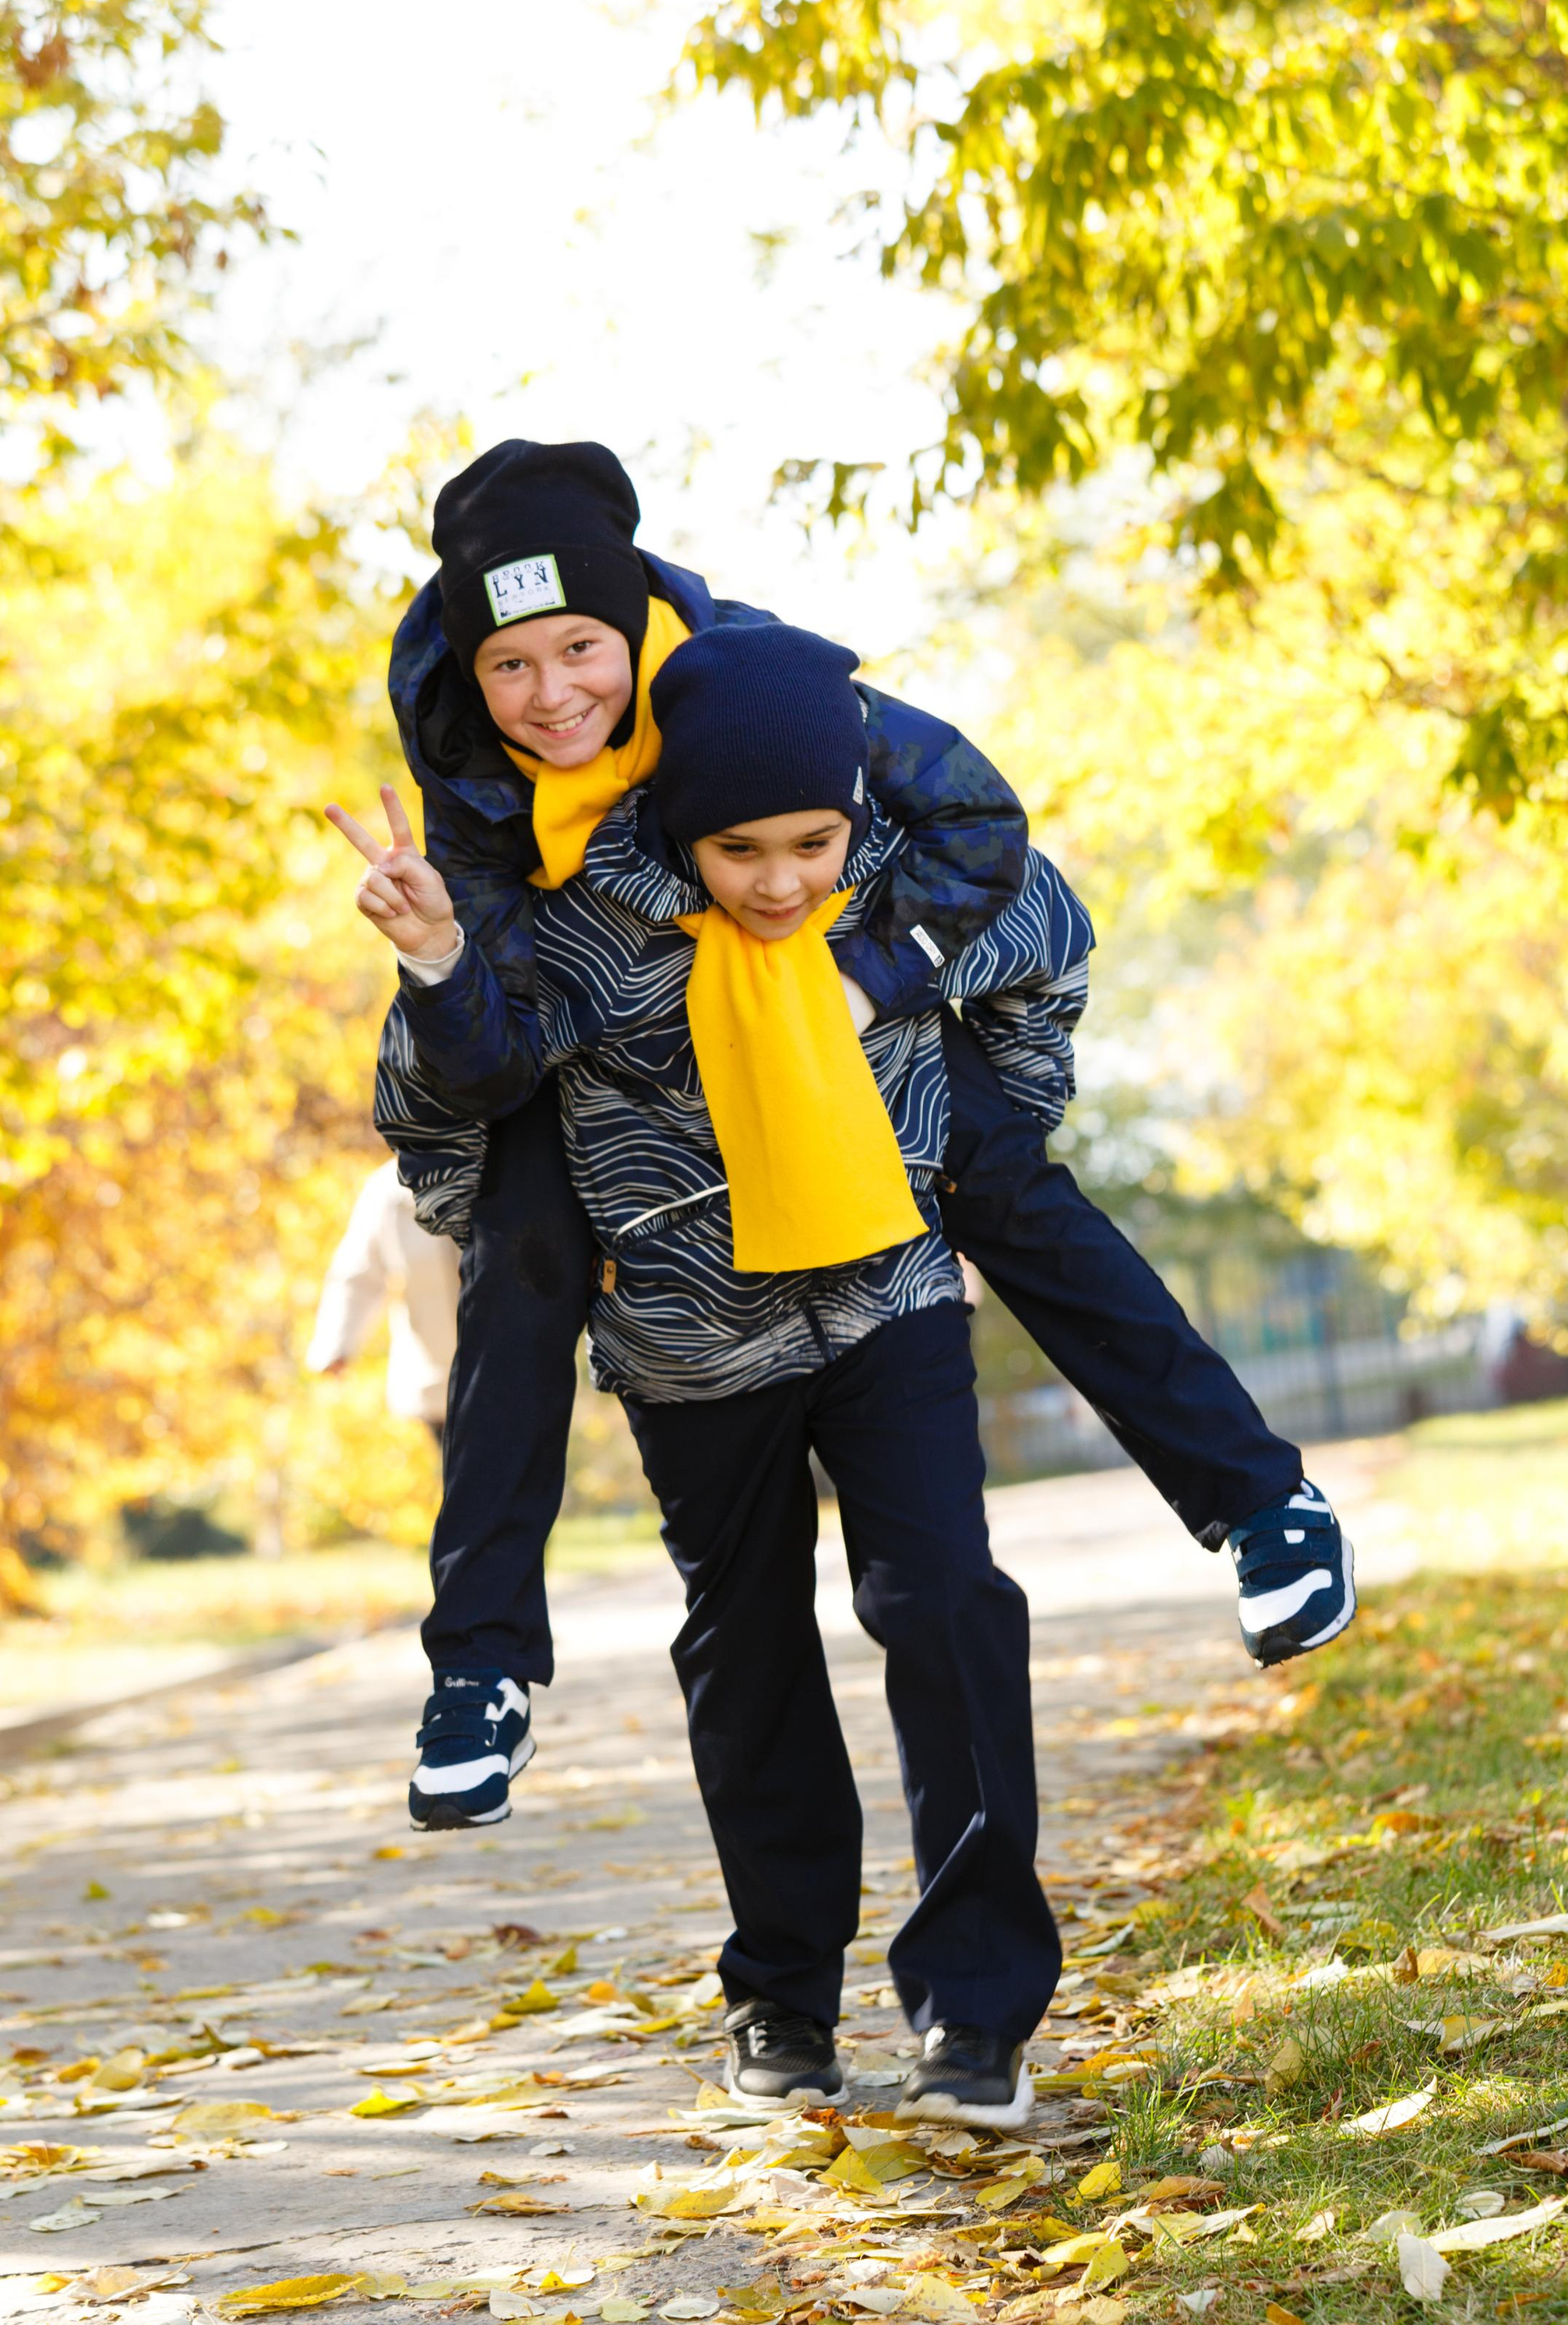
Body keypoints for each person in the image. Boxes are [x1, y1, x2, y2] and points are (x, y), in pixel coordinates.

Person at [330, 437, 1353, 1831]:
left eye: (580, 648)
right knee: (521, 1244)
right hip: (624, 1068)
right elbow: (501, 1054)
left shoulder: (756, 685)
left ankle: (1261, 1505)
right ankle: (482, 1667)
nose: (552, 694)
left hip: (850, 1018)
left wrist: (876, 977)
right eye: (512, 664)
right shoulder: (469, 782)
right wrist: (443, 959)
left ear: (630, 621)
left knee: (993, 1167)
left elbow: (984, 819)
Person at [352, 622, 1089, 2126]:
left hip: (889, 1302)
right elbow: (441, 1113)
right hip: (693, 1347)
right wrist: (567, 1217)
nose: (778, 880)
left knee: (946, 1603)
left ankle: (977, 2012)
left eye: (806, 845)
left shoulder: (890, 869)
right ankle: (782, 2003)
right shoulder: (573, 921)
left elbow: (1044, 950)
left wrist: (970, 1143)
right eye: (737, 849)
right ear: (681, 829)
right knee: (747, 1655)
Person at [305, 1159, 460, 1462]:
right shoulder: (387, 1191)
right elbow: (357, 1275)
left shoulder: (499, 1164)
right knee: (468, 1486)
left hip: (505, 1372)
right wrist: (336, 1345)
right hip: (436, 1380)